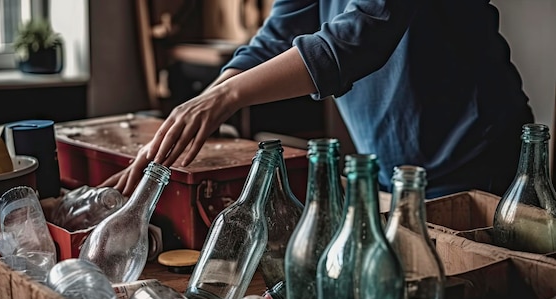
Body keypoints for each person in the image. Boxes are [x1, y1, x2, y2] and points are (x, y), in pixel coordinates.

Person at [101, 0, 534, 199]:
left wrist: (225, 98)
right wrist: (203, 104)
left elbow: (361, 34)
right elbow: (278, 34)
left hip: (475, 158)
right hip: (389, 165)